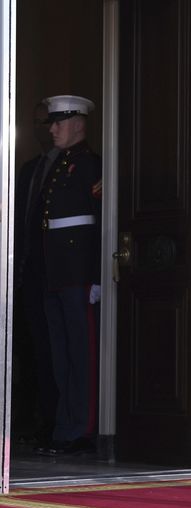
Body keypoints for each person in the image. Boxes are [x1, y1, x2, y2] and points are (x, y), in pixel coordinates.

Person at [38, 95, 102, 456]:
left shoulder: (91, 166)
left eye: (59, 122)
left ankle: (84, 430)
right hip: (57, 272)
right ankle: (65, 428)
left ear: (78, 124)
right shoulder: (58, 165)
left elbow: (98, 222)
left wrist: (94, 276)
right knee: (61, 354)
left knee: (83, 353)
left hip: (78, 273)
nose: (52, 129)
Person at [12, 102, 59, 448]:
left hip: (55, 273)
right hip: (27, 271)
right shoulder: (29, 169)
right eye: (40, 124)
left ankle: (55, 422)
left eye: (49, 122)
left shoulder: (80, 166)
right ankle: (33, 420)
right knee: (28, 350)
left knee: (55, 351)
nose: (45, 129)